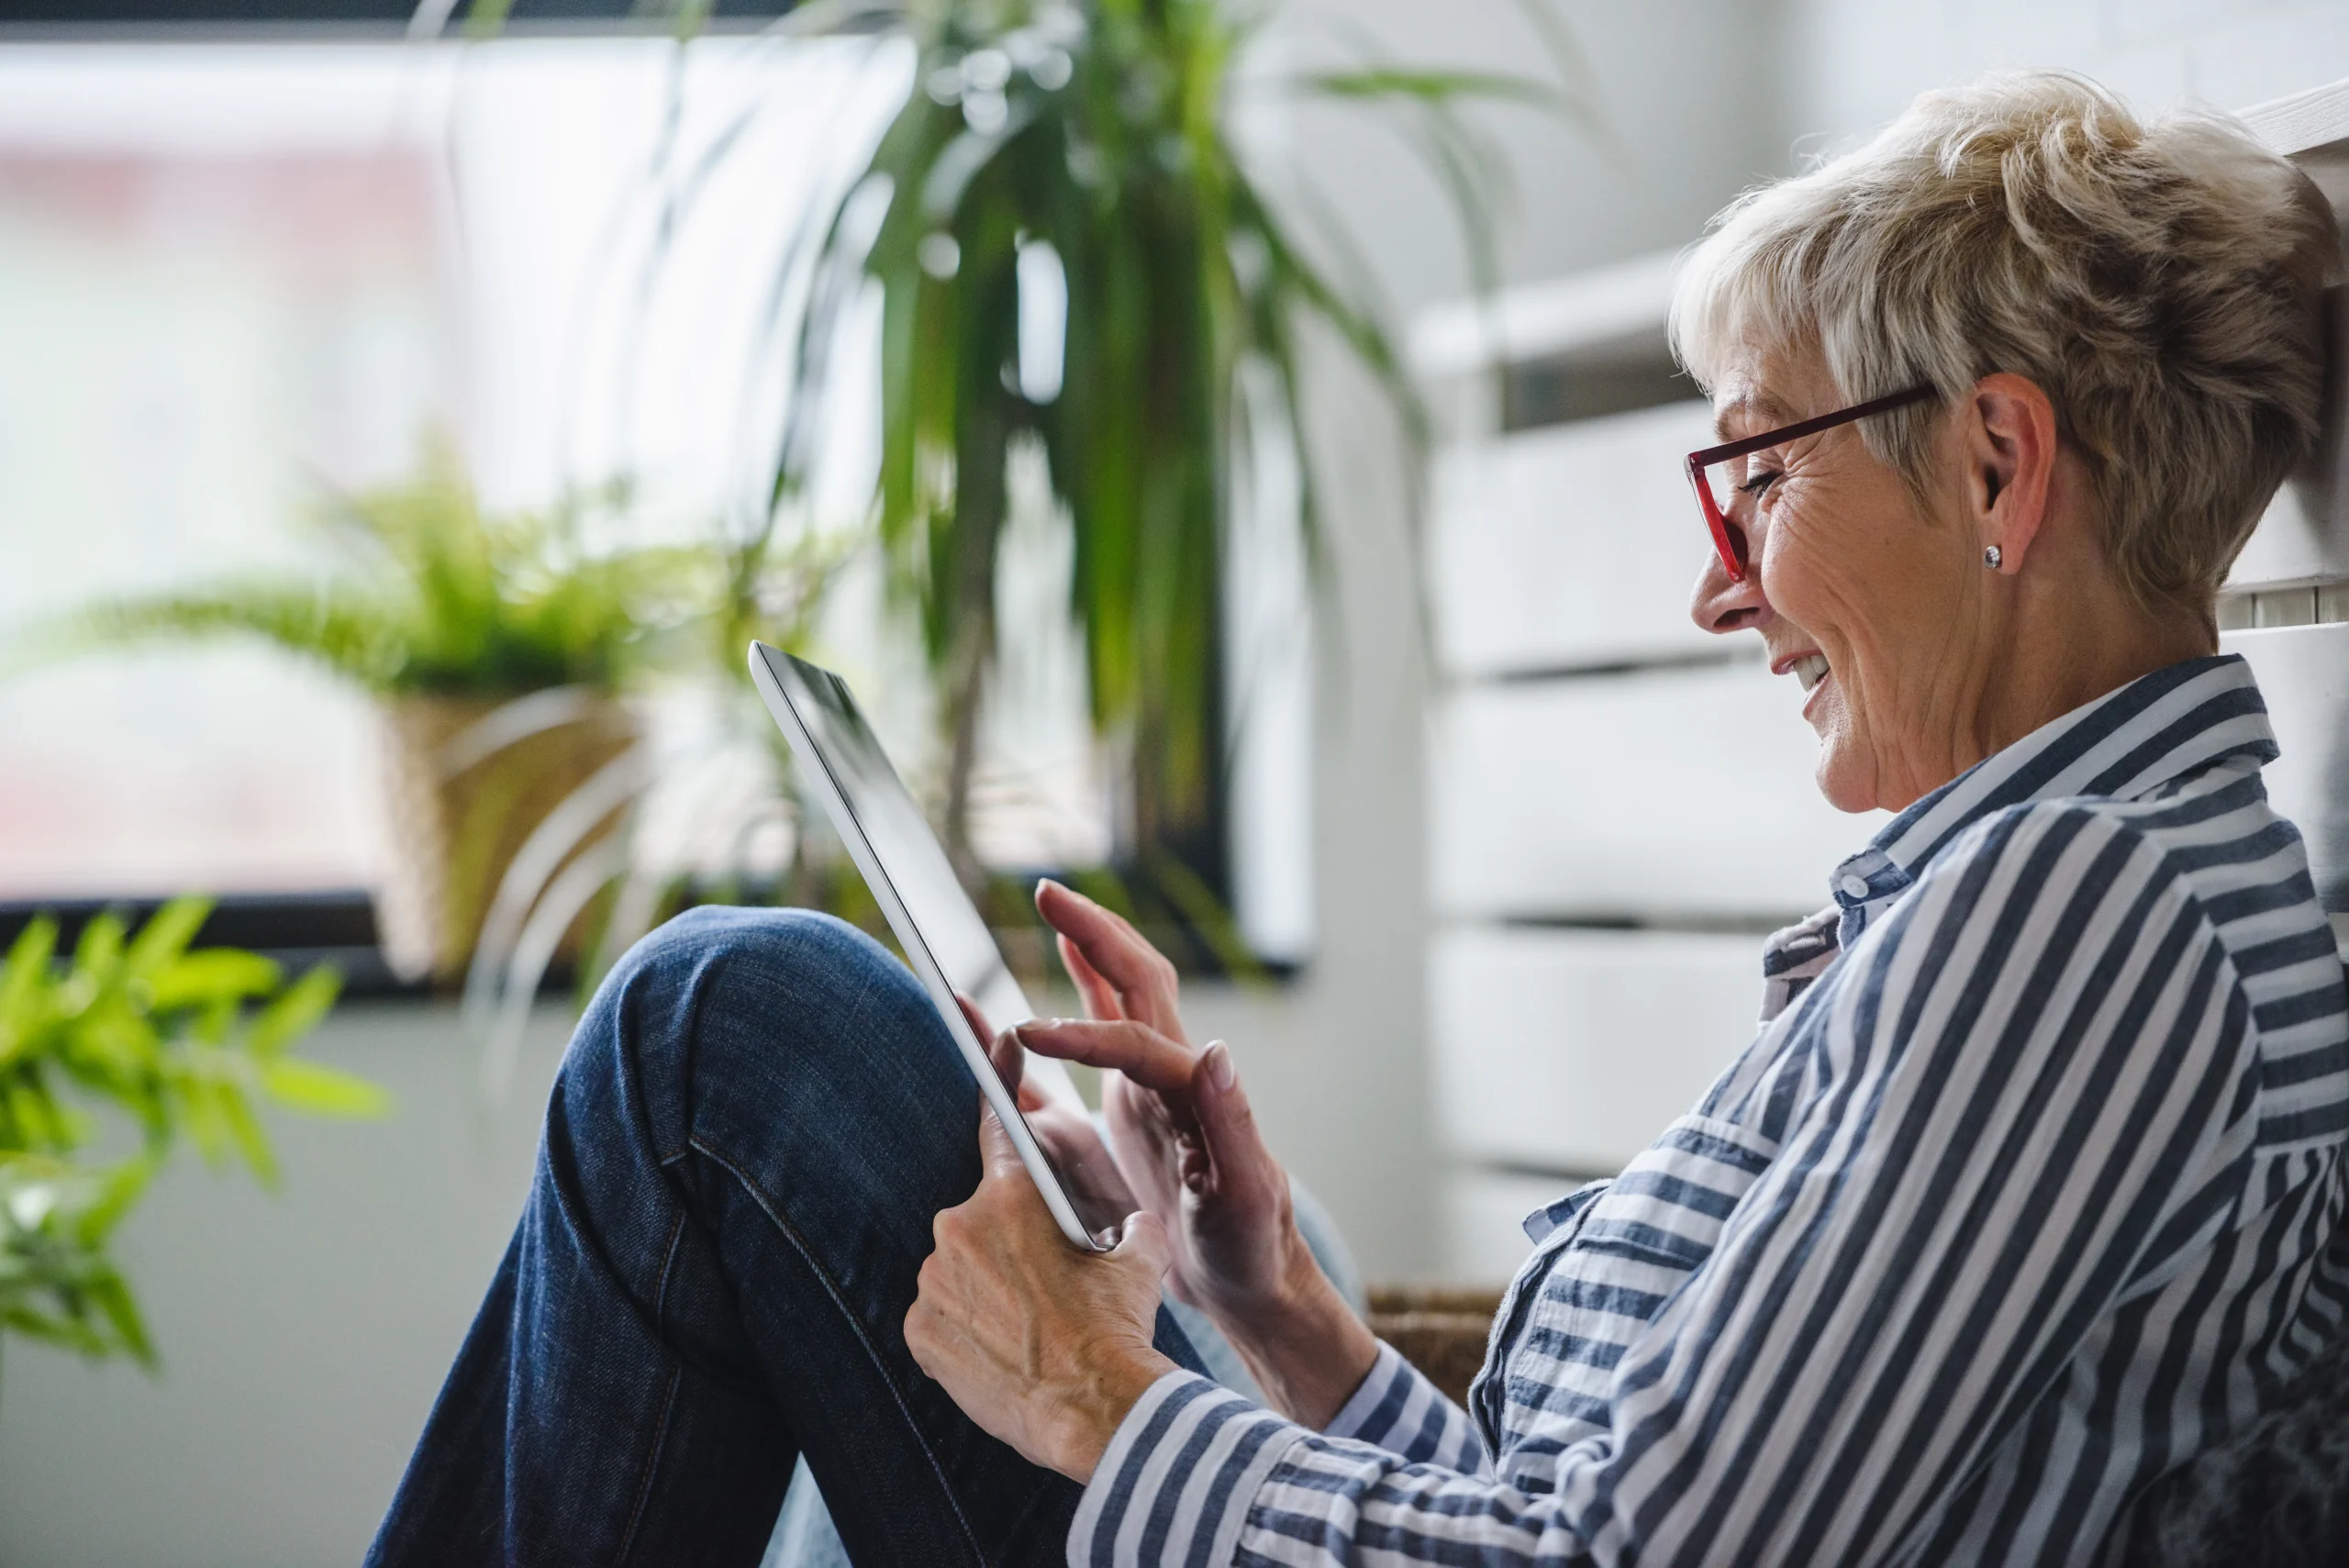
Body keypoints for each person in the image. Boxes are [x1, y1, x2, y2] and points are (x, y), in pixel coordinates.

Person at [369, 71, 2349, 1567]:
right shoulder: (2051, 895)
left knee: (724, 1029)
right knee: (1033, 1149)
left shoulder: (2084, 916)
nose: (1714, 582)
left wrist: (1096, 1390)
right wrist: (1273, 1307)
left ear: (1996, 465)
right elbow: (1610, 1499)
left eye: (1747, 472)